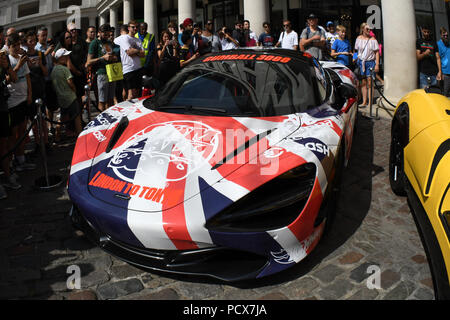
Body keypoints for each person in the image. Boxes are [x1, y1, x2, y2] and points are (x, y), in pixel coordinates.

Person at [7, 33, 36, 172]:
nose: (17, 48)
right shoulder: (7, 60)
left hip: (24, 99)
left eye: (18, 45)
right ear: (8, 46)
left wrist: (29, 94)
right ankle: (13, 160)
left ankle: (21, 159)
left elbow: (27, 77)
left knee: (23, 130)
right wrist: (18, 65)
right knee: (14, 134)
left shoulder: (21, 58)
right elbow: (9, 78)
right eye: (14, 46)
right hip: (12, 101)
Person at [0, 48, 21, 198]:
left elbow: (14, 78)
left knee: (4, 144)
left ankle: (7, 176)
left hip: (2, 109)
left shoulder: (2, 60)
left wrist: (6, 65)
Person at [86, 24, 119, 112]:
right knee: (102, 101)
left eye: (108, 35)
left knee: (111, 99)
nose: (107, 37)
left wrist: (114, 58)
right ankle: (102, 121)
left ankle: (111, 119)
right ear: (99, 33)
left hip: (111, 73)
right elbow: (88, 62)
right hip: (101, 73)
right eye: (105, 35)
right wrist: (102, 58)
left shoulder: (108, 42)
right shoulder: (94, 43)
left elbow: (112, 55)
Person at [25, 31, 49, 152]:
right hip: (30, 90)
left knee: (43, 118)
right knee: (34, 119)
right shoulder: (24, 57)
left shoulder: (40, 54)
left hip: (40, 88)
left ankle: (46, 141)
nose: (33, 43)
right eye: (30, 41)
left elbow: (46, 73)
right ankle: (38, 143)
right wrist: (28, 65)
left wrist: (40, 64)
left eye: (34, 40)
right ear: (26, 43)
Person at [51, 48, 82, 137]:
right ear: (61, 58)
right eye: (66, 56)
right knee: (77, 116)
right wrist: (74, 91)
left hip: (61, 98)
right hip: (70, 97)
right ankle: (80, 135)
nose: (68, 57)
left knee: (62, 117)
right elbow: (70, 83)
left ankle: (57, 135)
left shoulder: (54, 70)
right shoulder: (65, 69)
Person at [114, 20, 145, 100]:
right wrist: (138, 51)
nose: (135, 28)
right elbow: (129, 52)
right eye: (133, 27)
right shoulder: (125, 38)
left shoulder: (138, 40)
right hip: (128, 69)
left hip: (138, 68)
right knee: (131, 95)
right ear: (128, 28)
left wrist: (135, 51)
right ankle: (127, 111)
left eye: (136, 27)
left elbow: (143, 54)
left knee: (138, 94)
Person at [355, 23, 380, 108]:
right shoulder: (358, 38)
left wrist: (377, 64)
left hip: (370, 62)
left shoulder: (373, 40)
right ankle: (364, 101)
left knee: (370, 82)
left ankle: (370, 102)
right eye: (367, 29)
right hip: (361, 62)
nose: (369, 31)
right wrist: (355, 58)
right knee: (363, 83)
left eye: (370, 29)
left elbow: (377, 52)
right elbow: (356, 50)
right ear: (362, 29)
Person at [438, 27, 450, 96]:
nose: (446, 37)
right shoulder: (438, 44)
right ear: (441, 35)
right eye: (444, 35)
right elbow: (438, 59)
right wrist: (440, 72)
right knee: (444, 94)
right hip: (445, 73)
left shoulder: (448, 44)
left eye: (447, 35)